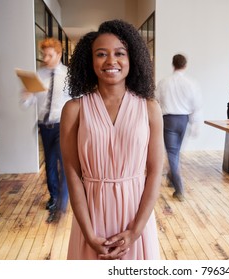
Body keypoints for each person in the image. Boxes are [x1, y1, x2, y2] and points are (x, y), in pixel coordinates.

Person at [60, 20, 163, 260]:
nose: (110, 61)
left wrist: (135, 231)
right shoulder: (74, 109)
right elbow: (73, 174)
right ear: (90, 60)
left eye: (119, 53)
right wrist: (88, 234)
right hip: (91, 219)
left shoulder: (149, 108)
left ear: (132, 58)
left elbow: (155, 171)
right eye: (101, 54)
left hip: (135, 217)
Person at [21, 37, 70, 223]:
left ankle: (61, 204)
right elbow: (29, 103)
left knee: (63, 164)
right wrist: (26, 96)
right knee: (49, 165)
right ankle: (54, 197)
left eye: (50, 55)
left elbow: (78, 99)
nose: (46, 58)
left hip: (63, 125)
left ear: (59, 54)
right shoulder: (38, 75)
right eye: (44, 54)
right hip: (44, 126)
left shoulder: (68, 75)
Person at [156, 54, 202, 202]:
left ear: (173, 64)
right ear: (185, 65)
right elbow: (196, 105)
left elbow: (156, 100)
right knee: (176, 152)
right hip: (183, 120)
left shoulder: (164, 82)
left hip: (168, 120)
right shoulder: (191, 83)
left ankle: (179, 188)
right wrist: (195, 124)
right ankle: (172, 178)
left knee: (172, 153)